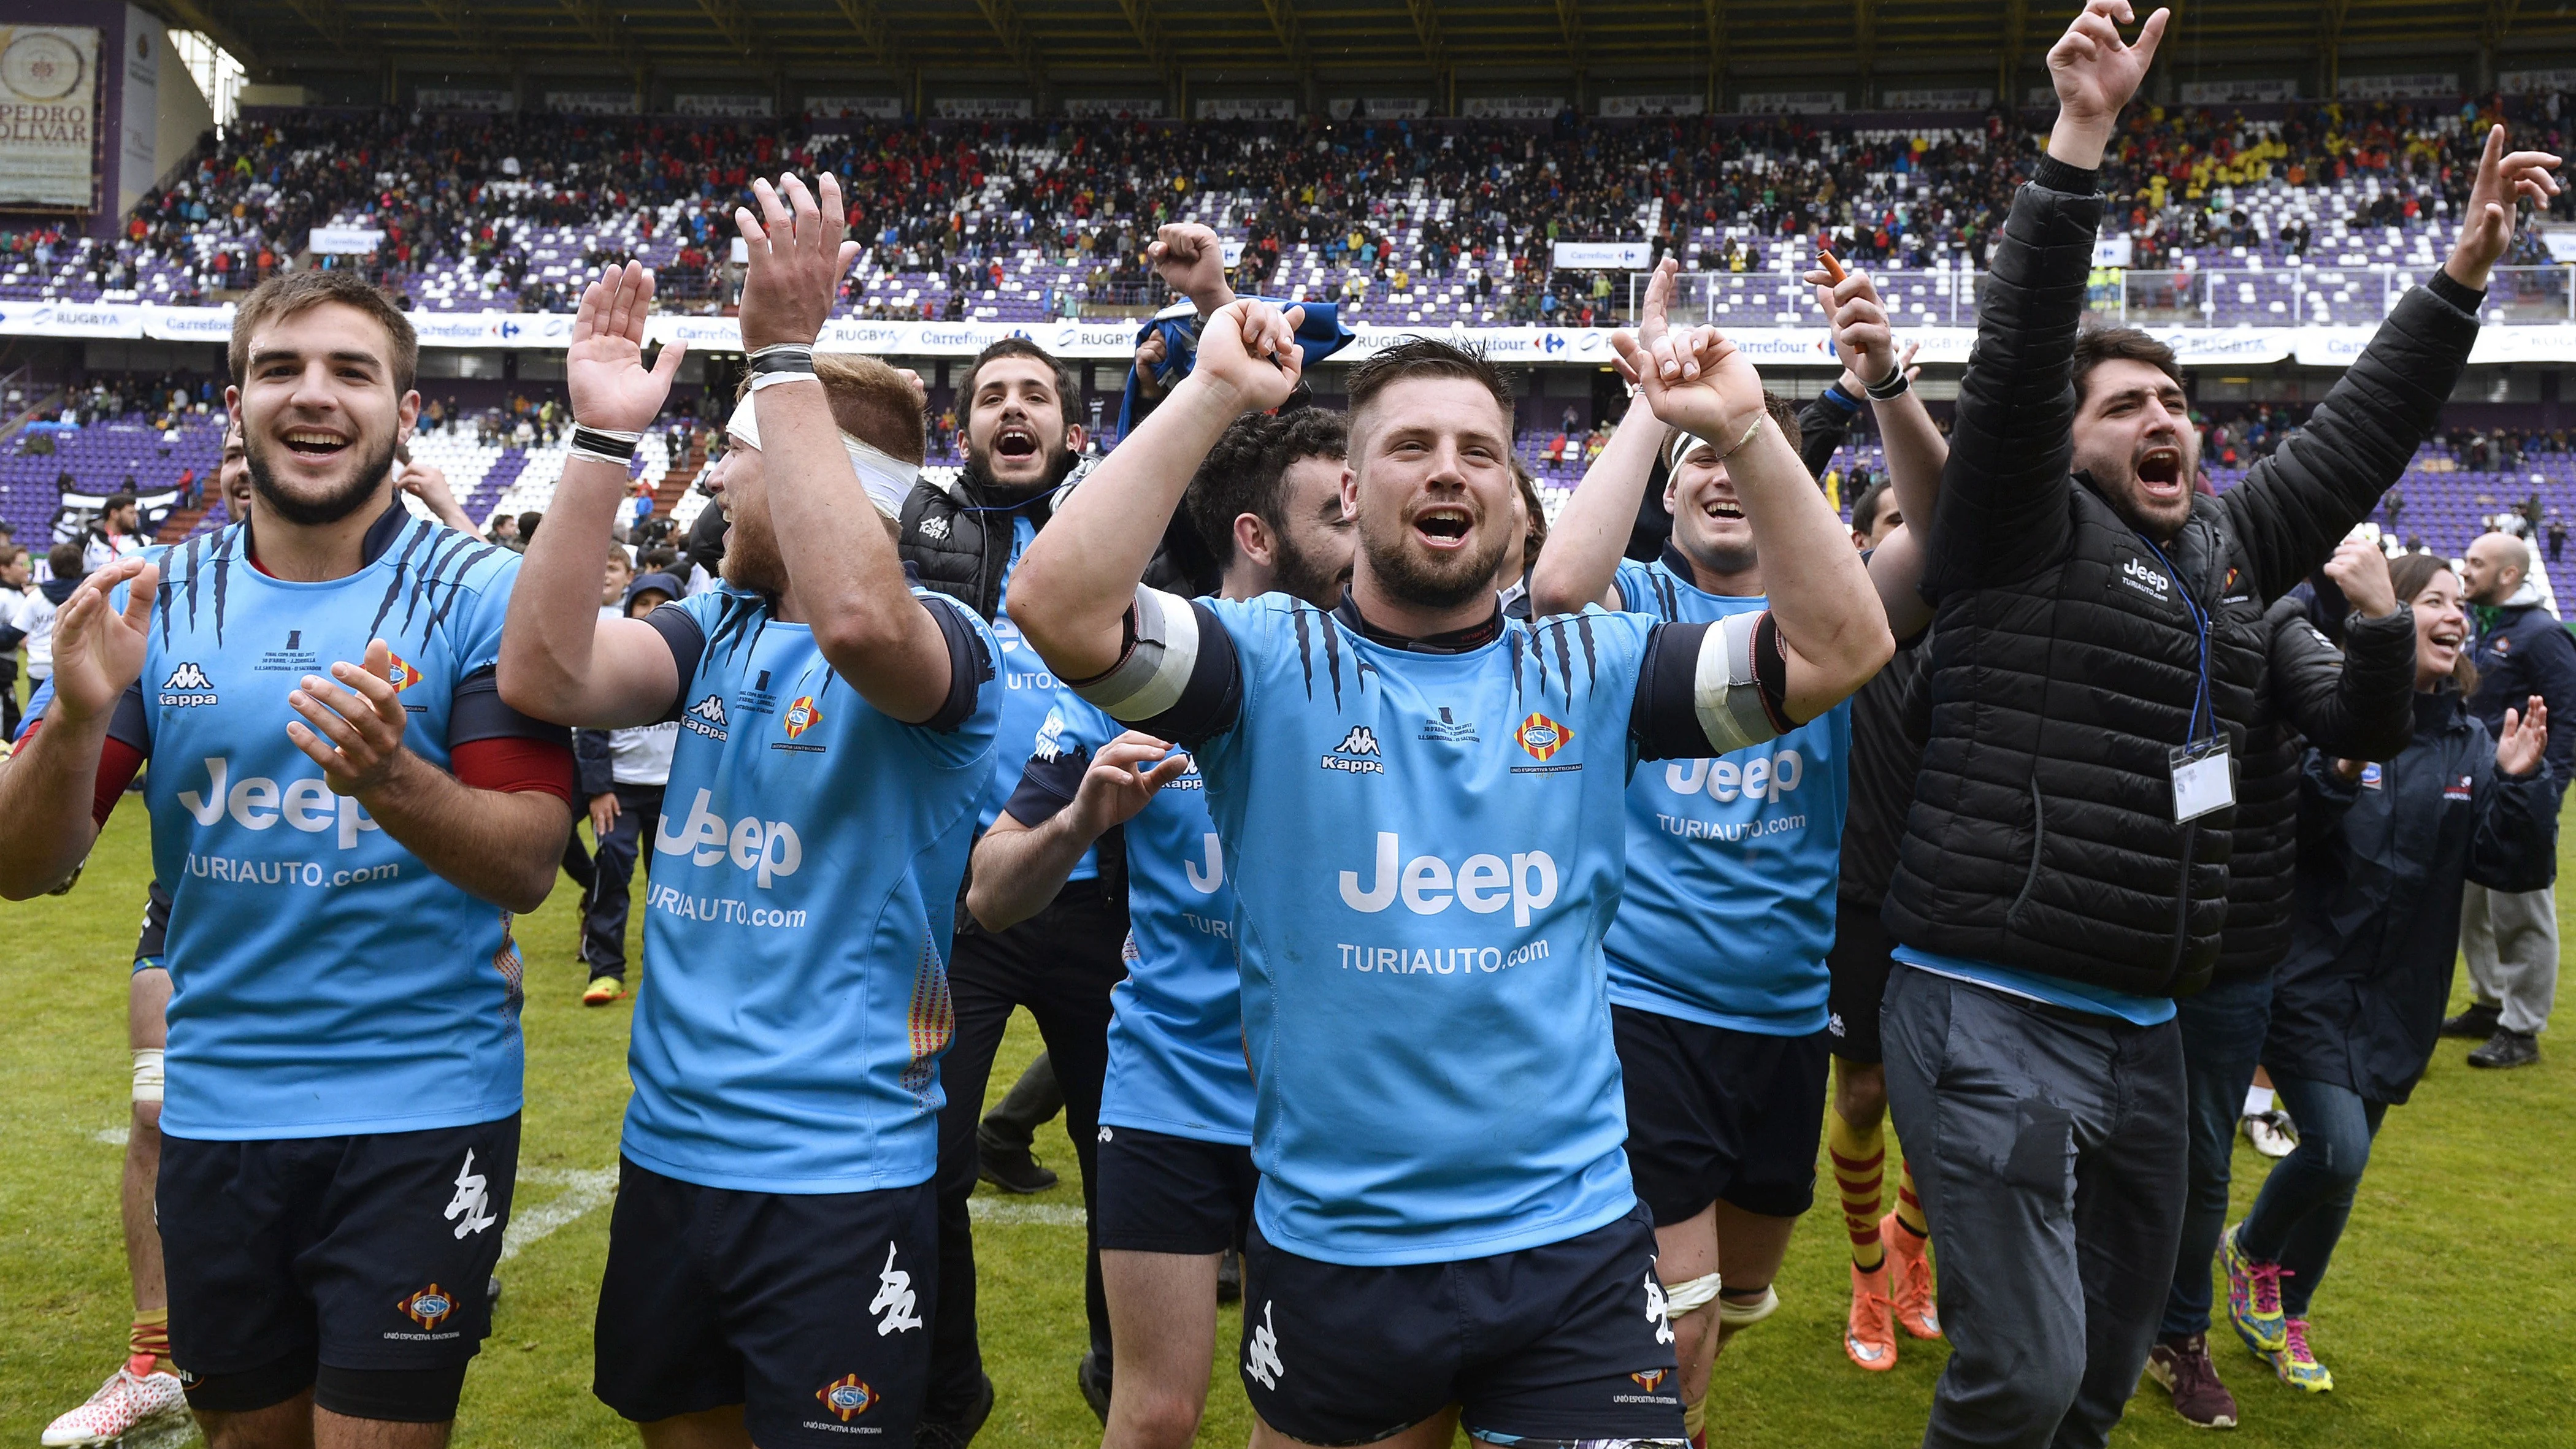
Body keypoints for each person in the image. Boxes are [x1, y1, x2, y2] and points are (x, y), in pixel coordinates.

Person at [1008, 281, 1891, 1447]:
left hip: (1573, 1246)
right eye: (1410, 445)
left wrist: (1743, 427)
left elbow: (1842, 643)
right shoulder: (1266, 666)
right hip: (1343, 1249)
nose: (1448, 468)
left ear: (1512, 501)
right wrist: (1214, 390)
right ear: (1351, 488)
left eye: (1480, 449)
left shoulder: (1596, 667)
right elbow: (1058, 603)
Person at [1877, 6, 2552, 1445]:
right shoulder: (2015, 526)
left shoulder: (2227, 555)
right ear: (2062, 445)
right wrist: (2081, 137)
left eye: (2179, 401)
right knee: (2027, 1369)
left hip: (2147, 1020)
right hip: (1992, 1001)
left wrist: (2462, 275)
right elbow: (2009, 367)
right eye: (2125, 405)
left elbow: (2363, 431)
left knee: (2107, 1366)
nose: (2164, 418)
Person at [0, 267, 579, 1449]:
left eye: (352, 371)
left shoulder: (479, 593)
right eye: (282, 368)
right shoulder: (155, 601)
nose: (314, 396)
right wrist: (71, 718)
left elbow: (526, 861)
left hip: (423, 1106)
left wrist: (392, 779)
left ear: (406, 414)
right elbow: (24, 865)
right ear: (236, 402)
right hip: (219, 1113)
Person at [496, 178, 1000, 1449]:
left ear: (827, 472)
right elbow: (546, 674)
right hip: (672, 1148)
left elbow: (859, 619)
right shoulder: (711, 624)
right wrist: (600, 444)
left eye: (736, 454)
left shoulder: (945, 641)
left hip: (839, 1170)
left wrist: (782, 358)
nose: (714, 482)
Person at [1528, 258, 1938, 1438]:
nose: (1716, 472)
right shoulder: (1640, 610)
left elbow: (1950, 543)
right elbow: (1558, 585)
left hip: (1783, 1015)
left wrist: (1884, 381)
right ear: (1666, 494)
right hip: (1645, 1006)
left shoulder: (1838, 614)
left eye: (1738, 456)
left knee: (1738, 1303)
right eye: (1690, 463)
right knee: (1682, 1323)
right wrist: (1659, 402)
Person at [966, 405, 1354, 1449]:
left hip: (1330, 1102)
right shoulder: (1140, 675)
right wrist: (1083, 819)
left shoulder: (1385, 669)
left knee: (1312, 1413)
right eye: (1338, 510)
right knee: (1155, 1412)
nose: (1368, 531)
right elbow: (992, 891)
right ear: (1256, 537)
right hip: (1168, 1088)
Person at [2225, 554, 2555, 1393]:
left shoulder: (2472, 742)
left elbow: (2510, 870)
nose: (2456, 614)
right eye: (2433, 600)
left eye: (2461, 604)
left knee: (2348, 1165)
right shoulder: (2327, 713)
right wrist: (2337, 772)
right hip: (2307, 982)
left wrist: (2519, 785)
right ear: (2384, 616)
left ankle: (2290, 1317)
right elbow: (2281, 835)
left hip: (2401, 999)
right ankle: (2251, 1248)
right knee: (2334, 1149)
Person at [893, 332, 1125, 1437]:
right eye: (992, 396)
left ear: (1073, 430)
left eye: (1036, 394)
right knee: (927, 1154)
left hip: (1104, 911)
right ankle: (948, 1386)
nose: (1012, 409)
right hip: (958, 916)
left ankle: (1120, 1366)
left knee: (1121, 1159)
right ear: (966, 428)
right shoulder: (918, 533)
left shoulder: (1115, 533)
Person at [2141, 536, 2419, 1429]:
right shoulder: (2105, 593)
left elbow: (2360, 725)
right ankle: (2063, 1320)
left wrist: (2382, 620)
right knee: (2069, 1143)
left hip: (2228, 952)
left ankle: (2180, 1335)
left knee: (2200, 1160)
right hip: (2093, 930)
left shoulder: (2279, 624)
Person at [34, 419, 251, 1449]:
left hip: (384, 938)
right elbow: (36, 841)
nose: (256, 482)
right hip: (192, 916)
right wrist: (80, 723)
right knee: (158, 1114)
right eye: (238, 466)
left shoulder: (420, 585)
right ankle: (151, 1360)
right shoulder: (163, 596)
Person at [2444, 530, 2576, 1068]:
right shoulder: (2478, 627)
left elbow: (2568, 715)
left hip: (2521, 791)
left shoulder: (2542, 635)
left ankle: (2522, 1028)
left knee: (2521, 909)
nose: (2465, 570)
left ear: (2508, 575)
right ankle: (2489, 1001)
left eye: (2476, 563)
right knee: (2472, 907)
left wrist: (2550, 789)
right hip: (2475, 789)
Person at [572, 568, 684, 1005]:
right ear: (629, 608)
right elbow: (592, 728)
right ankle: (605, 970)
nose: (651, 612)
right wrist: (598, 788)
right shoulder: (611, 656)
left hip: (676, 793)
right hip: (619, 791)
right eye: (643, 603)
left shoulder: (695, 660)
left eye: (661, 604)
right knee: (612, 874)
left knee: (672, 888)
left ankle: (667, 973)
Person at [83, 492, 147, 573]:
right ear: (114, 514)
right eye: (131, 513)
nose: (136, 516)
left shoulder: (143, 541)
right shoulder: (86, 536)